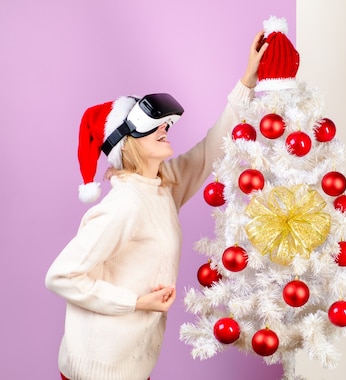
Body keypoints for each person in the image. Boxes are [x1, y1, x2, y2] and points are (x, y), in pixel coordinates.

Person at [44, 32, 268, 380]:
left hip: (133, 363)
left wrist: (246, 82)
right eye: (155, 127)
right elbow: (60, 275)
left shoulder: (162, 186)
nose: (166, 128)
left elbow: (211, 148)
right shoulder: (124, 205)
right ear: (126, 143)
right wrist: (135, 302)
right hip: (99, 370)